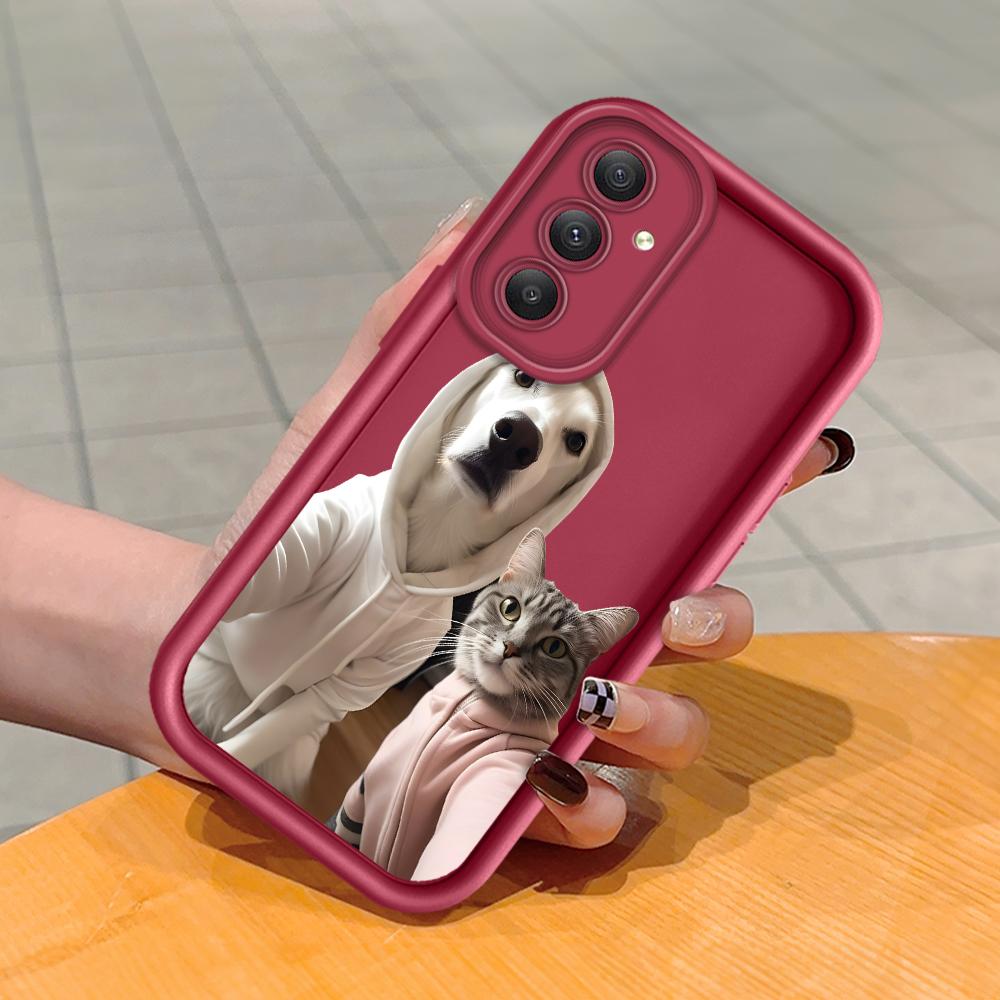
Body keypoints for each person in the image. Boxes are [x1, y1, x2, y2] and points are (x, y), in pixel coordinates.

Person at [0, 196, 852, 854]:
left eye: (570, 444)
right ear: (461, 403)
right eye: (524, 394)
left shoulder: (434, 618)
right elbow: (267, 613)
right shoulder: (350, 513)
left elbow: (301, 691)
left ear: (562, 491)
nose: (525, 436)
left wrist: (206, 690)